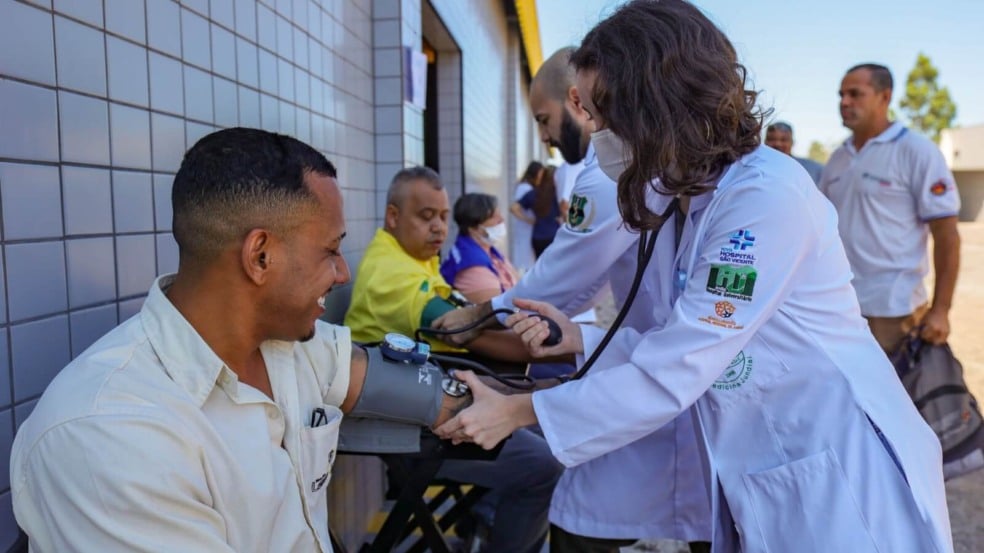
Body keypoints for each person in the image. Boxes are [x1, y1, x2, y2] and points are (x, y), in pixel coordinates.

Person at [436, 2, 954, 552]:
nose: (597, 132)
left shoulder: (763, 197)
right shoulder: (684, 196)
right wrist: (581, 337)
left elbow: (679, 367)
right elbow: (688, 338)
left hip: (838, 477)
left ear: (655, 105)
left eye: (604, 113)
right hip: (771, 460)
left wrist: (518, 410)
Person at [8, 128, 476, 552]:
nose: (343, 273)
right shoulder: (110, 436)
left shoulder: (288, 344)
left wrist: (497, 402)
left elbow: (402, 385)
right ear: (260, 256)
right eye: (331, 251)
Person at [433, 46, 711, 552]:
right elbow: (585, 281)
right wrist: (571, 335)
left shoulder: (609, 173)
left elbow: (561, 277)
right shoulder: (625, 168)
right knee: (605, 517)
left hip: (677, 375)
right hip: (661, 367)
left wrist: (481, 314)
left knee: (593, 519)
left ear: (576, 100)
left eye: (544, 119)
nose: (543, 136)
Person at [344, 166, 561, 553]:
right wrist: (549, 341)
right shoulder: (393, 275)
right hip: (409, 430)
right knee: (545, 465)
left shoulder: (410, 257)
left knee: (553, 425)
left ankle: (485, 518)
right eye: (426, 216)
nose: (439, 228)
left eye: (444, 217)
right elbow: (465, 331)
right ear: (393, 216)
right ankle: (492, 525)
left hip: (425, 405)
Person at [819, 64, 961, 353]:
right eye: (841, 95)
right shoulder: (838, 159)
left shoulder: (916, 151)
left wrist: (940, 310)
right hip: (839, 306)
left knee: (896, 383)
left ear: (885, 97)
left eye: (855, 94)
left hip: (895, 312)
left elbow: (947, 235)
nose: (844, 102)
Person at [442, 192, 519, 304]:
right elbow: (498, 308)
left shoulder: (488, 250)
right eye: (493, 217)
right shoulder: (472, 265)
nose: (501, 220)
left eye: (499, 214)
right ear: (473, 228)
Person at [516, 166, 562, 257]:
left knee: (540, 263)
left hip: (537, 237)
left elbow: (514, 208)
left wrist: (528, 220)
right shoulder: (557, 194)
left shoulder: (534, 193)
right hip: (554, 235)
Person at [510, 161, 544, 272]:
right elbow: (515, 209)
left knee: (528, 260)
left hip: (528, 229)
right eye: (541, 173)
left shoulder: (530, 187)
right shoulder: (525, 187)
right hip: (525, 228)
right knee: (525, 260)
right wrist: (528, 220)